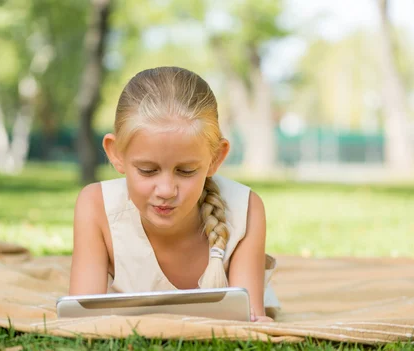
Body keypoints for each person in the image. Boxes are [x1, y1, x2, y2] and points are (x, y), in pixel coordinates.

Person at [69, 66, 279, 322]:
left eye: (186, 171)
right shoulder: (96, 206)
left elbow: (249, 320)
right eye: (147, 170)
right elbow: (79, 318)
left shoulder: (246, 209)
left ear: (216, 158)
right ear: (116, 154)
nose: (166, 191)